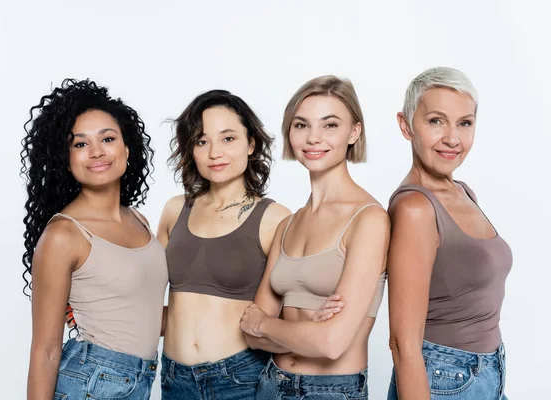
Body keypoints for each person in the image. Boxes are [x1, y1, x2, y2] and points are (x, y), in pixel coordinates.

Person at [241, 76, 389, 400]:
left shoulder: (369, 220)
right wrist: (307, 330)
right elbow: (249, 334)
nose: (313, 138)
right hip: (271, 384)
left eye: (330, 125)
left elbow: (332, 344)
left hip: (330, 391)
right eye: (301, 125)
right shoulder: (288, 224)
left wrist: (266, 326)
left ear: (354, 132)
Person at [22, 79, 168, 400]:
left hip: (140, 381)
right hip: (90, 384)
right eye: (80, 144)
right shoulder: (64, 234)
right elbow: (45, 350)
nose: (97, 151)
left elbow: (143, 313)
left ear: (127, 148)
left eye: (108, 138)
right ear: (67, 158)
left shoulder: (139, 220)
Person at [386, 67, 512, 400]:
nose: (452, 138)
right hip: (444, 380)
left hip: (486, 374)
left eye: (464, 123)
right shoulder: (415, 208)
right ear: (406, 125)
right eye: (436, 121)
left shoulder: (464, 192)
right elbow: (402, 343)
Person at [158, 89, 291, 399]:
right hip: (174, 378)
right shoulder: (174, 210)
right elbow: (146, 297)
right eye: (202, 141)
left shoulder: (275, 218)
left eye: (228, 138)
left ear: (251, 143)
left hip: (240, 378)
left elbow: (290, 308)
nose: (214, 152)